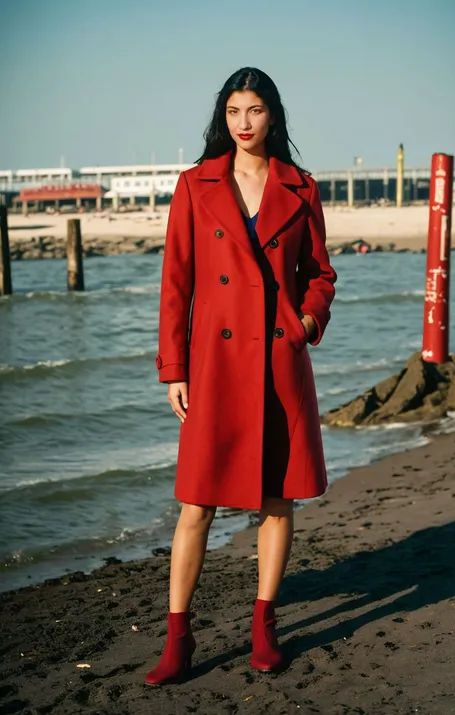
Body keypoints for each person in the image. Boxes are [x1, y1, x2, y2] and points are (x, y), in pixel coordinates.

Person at [146, 67, 337, 685]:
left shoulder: (300, 187)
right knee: (196, 502)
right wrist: (174, 367)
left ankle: (264, 627)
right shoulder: (195, 185)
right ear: (222, 118)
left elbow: (321, 273)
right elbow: (175, 283)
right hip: (216, 364)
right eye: (233, 111)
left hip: (279, 360)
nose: (244, 122)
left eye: (254, 110)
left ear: (273, 115)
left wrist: (307, 322)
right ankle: (179, 638)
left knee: (277, 501)